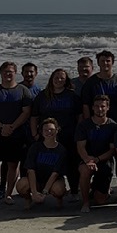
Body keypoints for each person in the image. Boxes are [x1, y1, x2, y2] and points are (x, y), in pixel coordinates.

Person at [0, 61, 33, 206]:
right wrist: (1, 127)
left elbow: (26, 112)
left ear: (15, 73)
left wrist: (12, 127)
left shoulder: (23, 91)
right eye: (5, 72)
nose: (8, 74)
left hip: (16, 134)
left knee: (13, 165)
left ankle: (8, 195)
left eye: (10, 72)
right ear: (0, 73)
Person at [30, 68, 82, 200]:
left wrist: (78, 134)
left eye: (62, 78)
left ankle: (74, 191)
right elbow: (34, 116)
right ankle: (41, 190)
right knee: (45, 163)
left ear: (66, 81)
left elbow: (80, 116)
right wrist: (35, 134)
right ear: (51, 79)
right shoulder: (43, 96)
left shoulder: (72, 96)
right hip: (47, 137)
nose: (59, 80)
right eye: (56, 78)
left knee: (71, 163)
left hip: (69, 136)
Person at [75, 95, 117, 213]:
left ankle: (98, 190)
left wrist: (97, 159)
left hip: (104, 161)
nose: (100, 109)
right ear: (92, 108)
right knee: (85, 170)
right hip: (87, 159)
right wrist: (88, 160)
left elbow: (112, 150)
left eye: (103, 106)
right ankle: (85, 202)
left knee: (100, 201)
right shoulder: (84, 125)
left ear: (108, 108)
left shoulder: (113, 126)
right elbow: (80, 146)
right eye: (97, 106)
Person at [17, 118, 68, 210]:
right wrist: (34, 192)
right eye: (46, 130)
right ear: (41, 132)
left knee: (59, 189)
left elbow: (55, 173)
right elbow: (30, 170)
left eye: (51, 129)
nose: (49, 132)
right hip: (37, 180)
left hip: (53, 181)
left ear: (57, 130)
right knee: (21, 185)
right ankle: (28, 199)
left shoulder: (61, 150)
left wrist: (44, 192)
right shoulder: (35, 147)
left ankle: (59, 199)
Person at [81, 50, 117, 123]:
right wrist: (88, 124)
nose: (105, 63)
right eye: (102, 61)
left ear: (112, 62)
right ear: (98, 63)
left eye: (108, 61)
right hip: (95, 123)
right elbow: (86, 105)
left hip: (115, 123)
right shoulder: (90, 83)